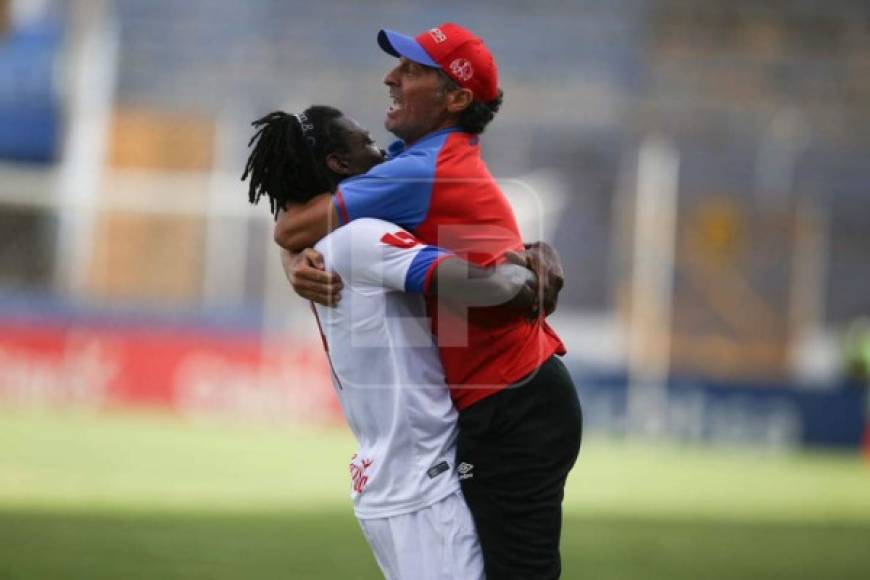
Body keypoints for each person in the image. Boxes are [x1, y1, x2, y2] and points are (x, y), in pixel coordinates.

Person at [273, 24, 583, 579]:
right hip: (509, 396)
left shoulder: (418, 170)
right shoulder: (422, 160)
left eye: (413, 71)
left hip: (512, 403)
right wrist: (296, 261)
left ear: (457, 98)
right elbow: (298, 224)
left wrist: (294, 257)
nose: (391, 77)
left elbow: (290, 223)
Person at [243, 105, 544, 580]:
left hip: (390, 477)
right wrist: (524, 273)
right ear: (340, 164)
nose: (381, 150)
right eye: (365, 141)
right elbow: (484, 289)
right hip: (418, 480)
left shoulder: (325, 246)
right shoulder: (364, 238)